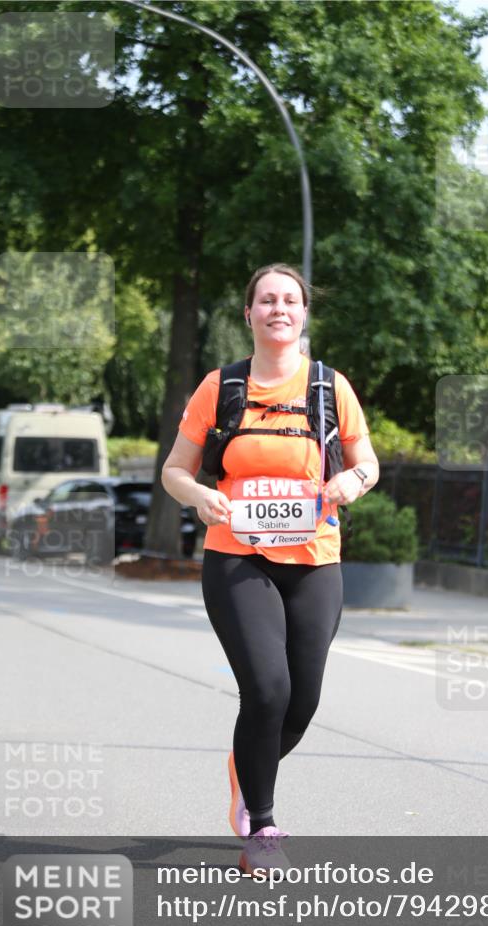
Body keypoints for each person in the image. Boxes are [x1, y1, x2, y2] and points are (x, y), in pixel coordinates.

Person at [161, 263, 379, 876]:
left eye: (289, 300)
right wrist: (199, 496)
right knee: (267, 689)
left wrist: (353, 481)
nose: (278, 309)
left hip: (315, 559)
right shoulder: (221, 386)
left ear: (303, 313)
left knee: (301, 702)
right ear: (249, 314)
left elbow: (368, 463)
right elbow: (175, 470)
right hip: (237, 557)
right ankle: (262, 826)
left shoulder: (330, 388)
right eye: (266, 300)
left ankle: (245, 768)